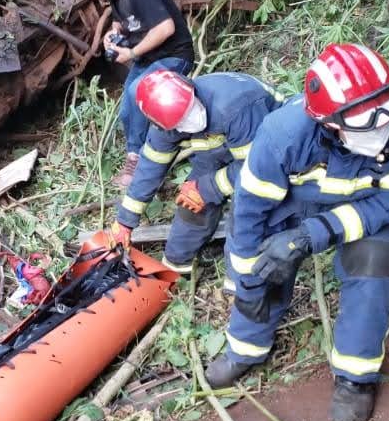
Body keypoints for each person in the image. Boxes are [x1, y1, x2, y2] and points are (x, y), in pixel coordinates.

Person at [207, 43, 389, 421]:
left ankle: (355, 378)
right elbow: (249, 210)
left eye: (387, 109)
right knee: (260, 265)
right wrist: (246, 274)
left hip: (363, 210)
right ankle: (245, 349)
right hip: (291, 205)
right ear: (329, 123)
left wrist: (312, 236)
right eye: (365, 120)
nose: (382, 125)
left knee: (373, 264)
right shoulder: (283, 135)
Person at [109, 68, 281, 275]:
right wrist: (125, 221)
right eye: (180, 122)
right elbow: (150, 166)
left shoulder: (236, 106)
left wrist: (210, 187)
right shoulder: (166, 121)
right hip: (217, 147)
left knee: (243, 212)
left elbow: (259, 166)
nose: (190, 120)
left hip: (267, 148)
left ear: (191, 89)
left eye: (190, 110)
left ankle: (240, 279)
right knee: (191, 204)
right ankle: (175, 271)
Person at [73, 0, 195, 186]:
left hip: (174, 56)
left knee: (137, 91)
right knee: (127, 109)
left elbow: (166, 28)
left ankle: (139, 162)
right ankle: (137, 155)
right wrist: (113, 33)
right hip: (149, 59)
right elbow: (123, 21)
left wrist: (132, 53)